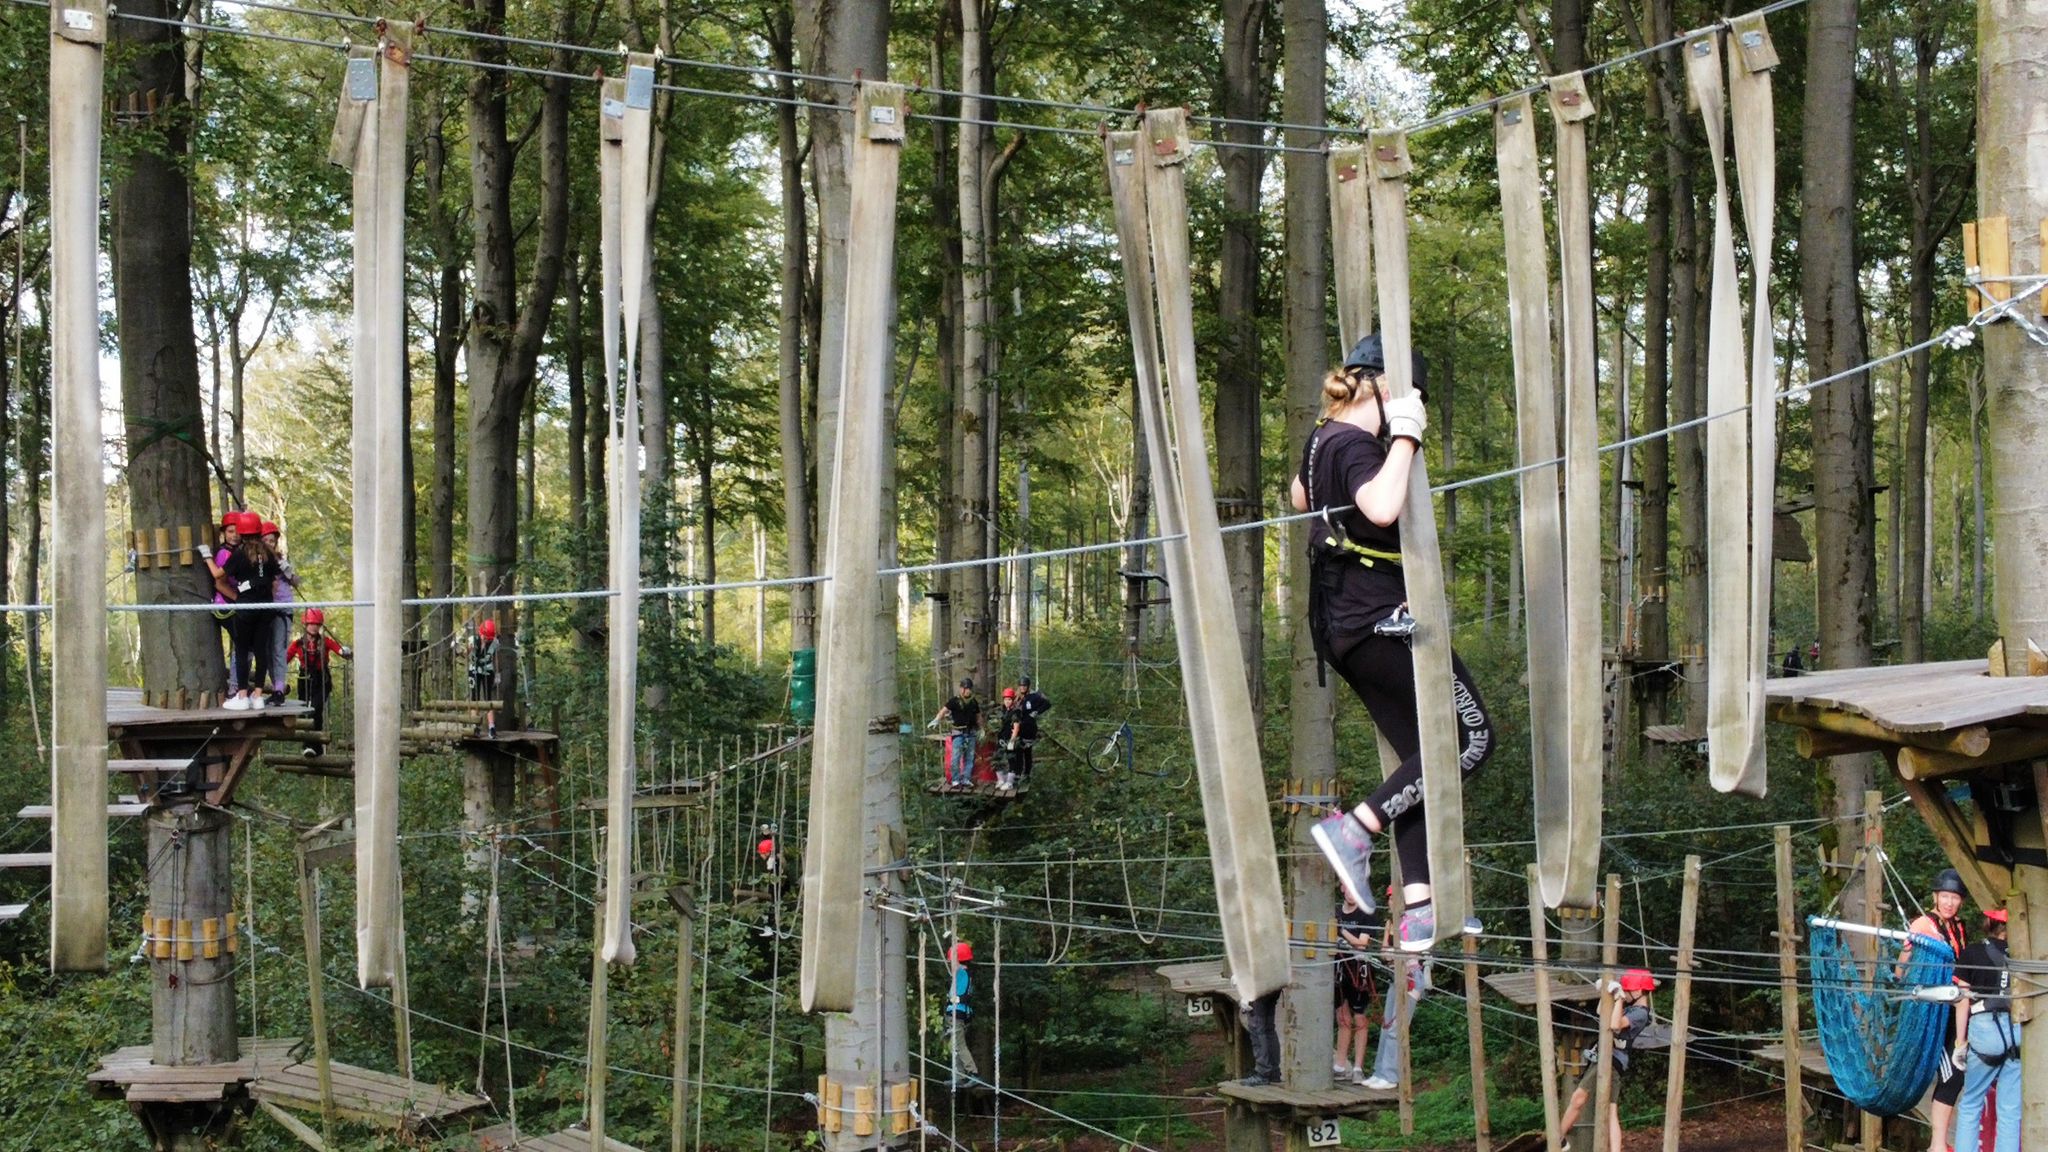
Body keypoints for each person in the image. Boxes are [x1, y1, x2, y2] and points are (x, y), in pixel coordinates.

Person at [1296, 332, 1496, 951]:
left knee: (1419, 760)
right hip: (1377, 621)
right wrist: (1406, 436)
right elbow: (1382, 508)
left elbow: (1300, 496)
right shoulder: (1358, 442)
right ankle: (1355, 829)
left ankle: (1420, 907)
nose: (1418, 409)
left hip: (1344, 627)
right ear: (1385, 387)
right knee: (1470, 740)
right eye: (1414, 397)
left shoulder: (1322, 439)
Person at [1903, 868, 1971, 1152]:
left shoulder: (1958, 927)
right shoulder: (1923, 924)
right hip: (1934, 1013)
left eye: (1955, 898)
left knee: (1957, 1075)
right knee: (1951, 1074)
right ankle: (1937, 1145)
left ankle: (1940, 1143)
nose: (1949, 903)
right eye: (1945, 896)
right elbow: (1902, 966)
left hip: (1955, 1007)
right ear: (1935, 897)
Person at [1557, 968, 1658, 1152]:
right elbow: (1601, 1013)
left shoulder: (1640, 1013)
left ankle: (1558, 1139)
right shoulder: (1629, 1007)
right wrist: (1606, 994)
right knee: (1607, 1109)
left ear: (1638, 991)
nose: (1626, 993)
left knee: (1579, 1098)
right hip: (1607, 1058)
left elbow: (1614, 1024)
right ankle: (1560, 1138)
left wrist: (1618, 999)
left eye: (1627, 990)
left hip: (1611, 1060)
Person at [1953, 907, 2021, 1152]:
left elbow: (1962, 1000)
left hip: (1985, 1030)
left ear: (1989, 923)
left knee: (1971, 1103)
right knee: (2010, 1110)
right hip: (2017, 1030)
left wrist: (1960, 1043)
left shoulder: (1972, 952)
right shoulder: (2025, 955)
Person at [221, 511, 277, 711]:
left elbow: (219, 574)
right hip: (266, 608)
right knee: (261, 650)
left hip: (246, 608)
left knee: (242, 651)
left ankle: (242, 695)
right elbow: (273, 581)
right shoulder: (269, 553)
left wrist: (208, 558)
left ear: (242, 532)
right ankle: (258, 696)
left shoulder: (240, 553)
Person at [286, 608, 351, 755]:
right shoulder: (297, 644)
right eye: (311, 624)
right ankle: (312, 747)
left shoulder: (325, 642)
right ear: (306, 625)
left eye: (316, 624)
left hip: (321, 680)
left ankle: (313, 746)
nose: (314, 627)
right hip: (304, 680)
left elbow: (338, 649)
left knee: (315, 710)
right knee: (303, 712)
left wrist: (344, 652)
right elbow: (285, 659)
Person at [1334, 889, 1382, 1084]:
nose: (1351, 893)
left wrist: (1341, 931)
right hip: (1339, 968)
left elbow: (1361, 944)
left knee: (1359, 1017)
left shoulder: (1365, 913)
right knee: (1342, 1017)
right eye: (1348, 888)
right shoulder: (1336, 912)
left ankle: (1358, 1068)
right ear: (1342, 888)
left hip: (1359, 970)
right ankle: (1340, 1065)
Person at [199, 511, 243, 698]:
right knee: (242, 642)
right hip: (225, 605)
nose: (235, 535)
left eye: (238, 531)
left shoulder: (239, 552)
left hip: (233, 603)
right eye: (231, 531)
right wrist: (238, 599)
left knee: (244, 644)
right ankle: (235, 686)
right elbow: (219, 582)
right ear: (224, 533)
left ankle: (237, 684)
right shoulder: (225, 554)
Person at [263, 520, 302, 708]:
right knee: (267, 652)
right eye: (266, 540)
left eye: (272, 540)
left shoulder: (280, 560)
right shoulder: (258, 560)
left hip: (281, 609)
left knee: (278, 650)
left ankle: (279, 689)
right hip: (265, 609)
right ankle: (275, 688)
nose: (269, 543)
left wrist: (288, 572)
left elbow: (296, 582)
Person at [927, 678, 983, 790]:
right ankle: (955, 780)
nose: (968, 691)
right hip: (958, 733)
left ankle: (966, 779)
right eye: (966, 688)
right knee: (956, 757)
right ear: (962, 689)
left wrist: (981, 728)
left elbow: (978, 716)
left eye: (969, 689)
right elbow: (943, 710)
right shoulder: (954, 701)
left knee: (969, 757)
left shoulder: (973, 702)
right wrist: (936, 720)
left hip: (971, 733)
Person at [1011, 675, 1052, 785]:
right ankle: (1017, 773)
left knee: (1027, 752)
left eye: (1024, 686)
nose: (1022, 687)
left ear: (1028, 686)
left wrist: (1037, 711)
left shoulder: (1034, 697)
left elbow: (1047, 703)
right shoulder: (1017, 698)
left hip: (1029, 728)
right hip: (1018, 727)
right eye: (1021, 686)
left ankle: (1027, 774)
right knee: (1018, 751)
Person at [469, 618, 500, 737]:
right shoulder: (472, 640)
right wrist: (466, 649)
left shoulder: (494, 642)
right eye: (484, 637)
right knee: (474, 697)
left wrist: (497, 673)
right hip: (474, 670)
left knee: (488, 698)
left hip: (487, 670)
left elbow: (496, 658)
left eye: (487, 638)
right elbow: (465, 653)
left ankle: (492, 727)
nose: (485, 639)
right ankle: (474, 725)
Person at [996, 688, 1022, 795]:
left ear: (1013, 700)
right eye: (1006, 699)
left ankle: (1010, 782)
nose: (1007, 701)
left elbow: (1016, 727)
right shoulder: (1002, 710)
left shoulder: (1015, 712)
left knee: (1011, 759)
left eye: (1009, 699)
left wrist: (1012, 740)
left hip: (1010, 738)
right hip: (1001, 738)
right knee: (997, 758)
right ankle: (1001, 779)